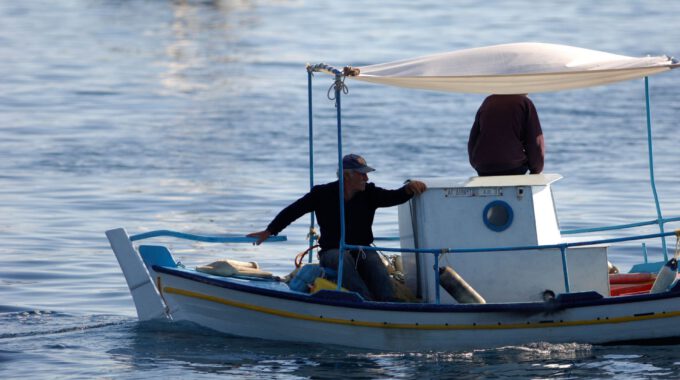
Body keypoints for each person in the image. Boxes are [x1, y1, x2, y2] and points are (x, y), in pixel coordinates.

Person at [247, 154, 427, 301]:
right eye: (361, 174)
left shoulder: (370, 193)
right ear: (347, 175)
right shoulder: (322, 194)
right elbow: (293, 211)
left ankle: (389, 302)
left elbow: (392, 197)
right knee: (341, 257)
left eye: (366, 173)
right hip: (332, 252)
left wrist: (408, 189)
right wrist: (270, 231)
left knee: (372, 261)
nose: (366, 178)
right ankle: (363, 300)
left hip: (362, 250)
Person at [467, 94, 545, 176]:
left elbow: (473, 139)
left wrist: (476, 164)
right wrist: (536, 170)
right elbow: (535, 143)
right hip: (513, 167)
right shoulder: (524, 103)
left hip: (483, 167)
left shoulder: (488, 101)